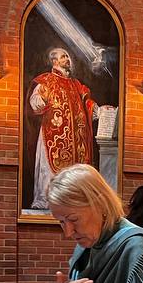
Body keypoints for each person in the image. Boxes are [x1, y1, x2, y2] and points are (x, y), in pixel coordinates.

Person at [29, 47, 96, 210]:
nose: (67, 59)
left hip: (76, 137)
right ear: (55, 61)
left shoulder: (75, 84)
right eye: (63, 56)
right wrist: (38, 101)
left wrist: (97, 109)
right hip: (53, 133)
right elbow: (36, 97)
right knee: (48, 169)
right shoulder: (47, 80)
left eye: (67, 56)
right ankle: (45, 200)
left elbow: (86, 102)